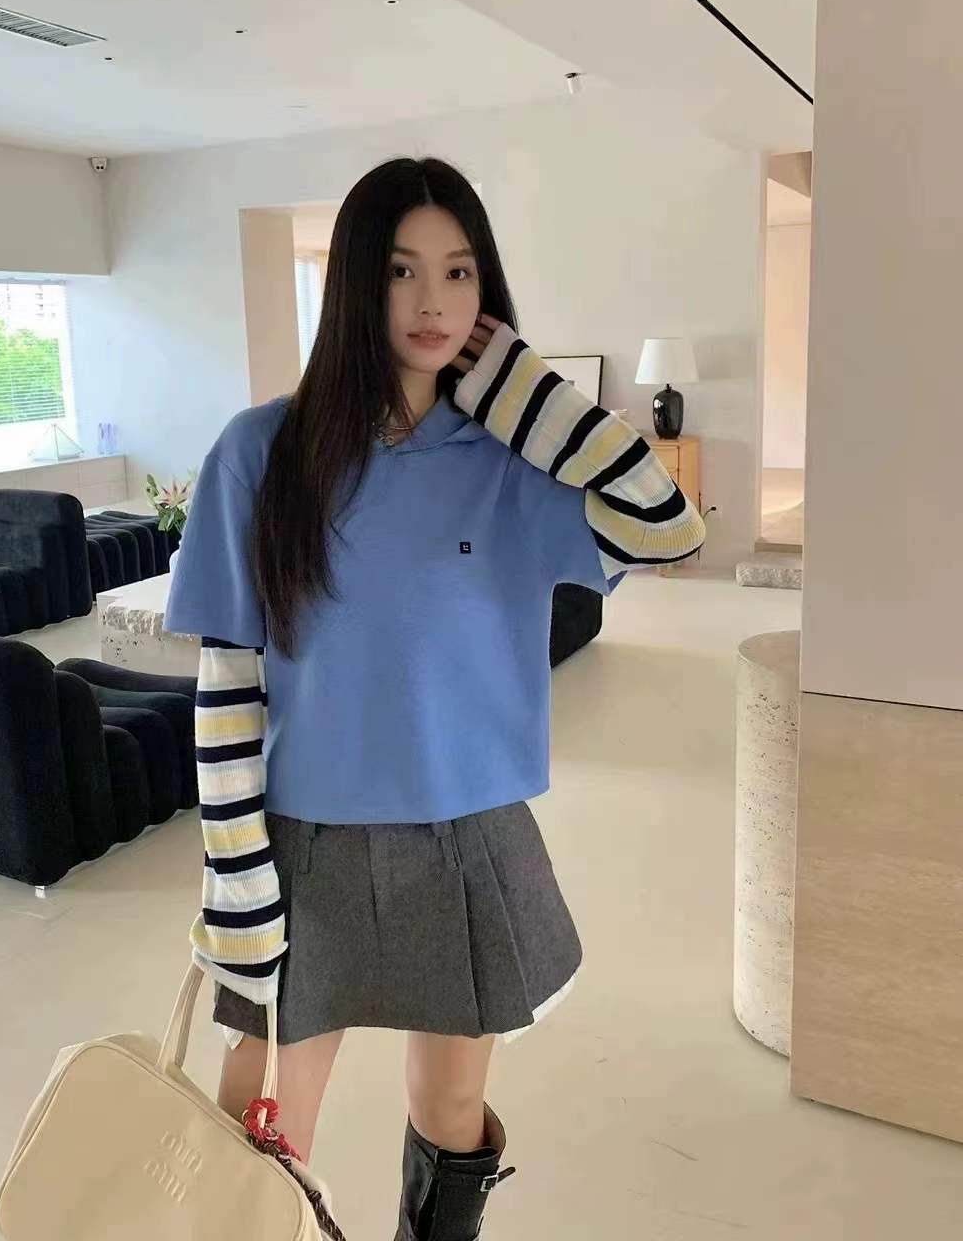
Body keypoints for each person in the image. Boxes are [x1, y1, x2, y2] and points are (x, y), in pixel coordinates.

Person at [163, 156, 706, 1239]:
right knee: (258, 1130)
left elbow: (669, 526)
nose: (431, 300)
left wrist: (523, 393)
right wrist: (236, 881)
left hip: (467, 833)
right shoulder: (261, 452)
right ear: (355, 283)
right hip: (306, 840)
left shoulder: (509, 463)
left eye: (459, 272)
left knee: (452, 1114)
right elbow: (227, 683)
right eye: (401, 270)